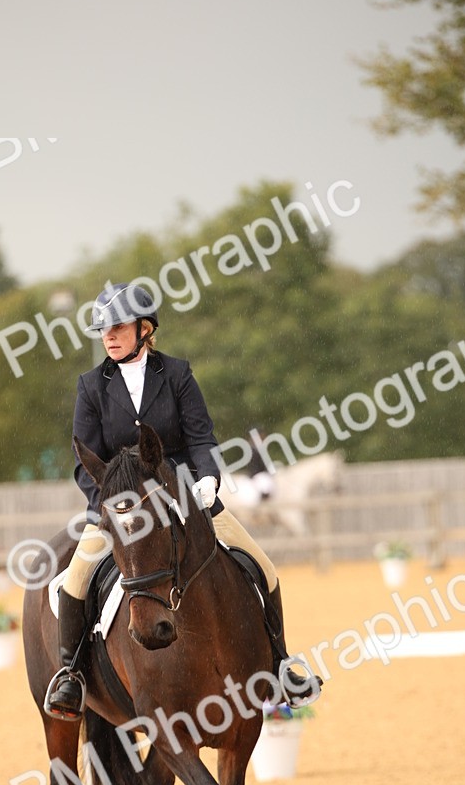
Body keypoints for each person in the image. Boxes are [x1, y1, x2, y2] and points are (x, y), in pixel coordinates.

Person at [45, 282, 313, 720]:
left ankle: (281, 664)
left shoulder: (177, 374)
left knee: (263, 566)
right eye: (104, 330)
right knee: (74, 581)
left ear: (144, 329)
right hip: (121, 507)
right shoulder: (91, 386)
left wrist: (207, 479)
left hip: (185, 498)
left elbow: (201, 438)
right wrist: (111, 505)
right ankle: (71, 675)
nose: (109, 336)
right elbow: (84, 461)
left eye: (118, 327)